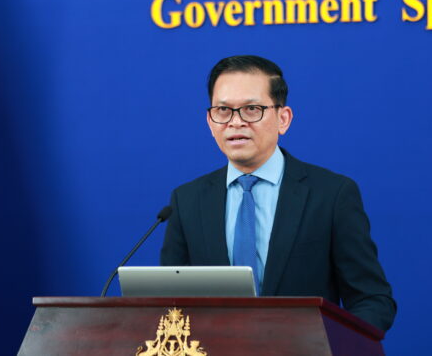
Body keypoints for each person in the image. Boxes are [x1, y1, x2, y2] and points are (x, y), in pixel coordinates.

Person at [160, 55, 396, 332]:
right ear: (210, 122)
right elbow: (168, 302)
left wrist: (332, 345)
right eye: (223, 110)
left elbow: (372, 300)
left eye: (251, 109)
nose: (235, 122)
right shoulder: (187, 201)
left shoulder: (332, 195)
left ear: (283, 119)